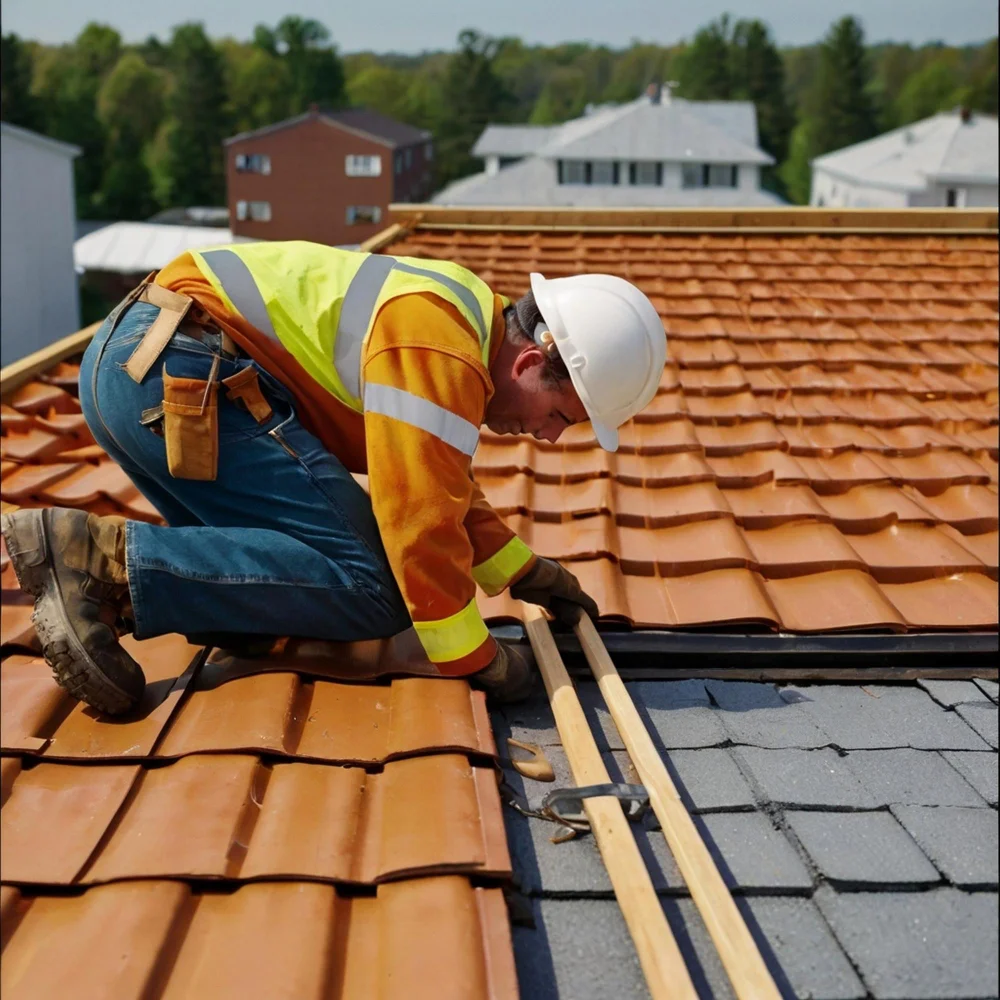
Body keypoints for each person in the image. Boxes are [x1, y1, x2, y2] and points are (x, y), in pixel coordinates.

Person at [1, 242, 666, 714]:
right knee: (373, 587)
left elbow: (438, 481)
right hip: (181, 379)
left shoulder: (461, 319)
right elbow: (418, 521)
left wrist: (523, 572)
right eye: (560, 416)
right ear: (528, 364)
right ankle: (97, 560)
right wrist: (480, 660)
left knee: (288, 597)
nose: (550, 438)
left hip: (136, 367)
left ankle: (118, 597)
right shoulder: (439, 345)